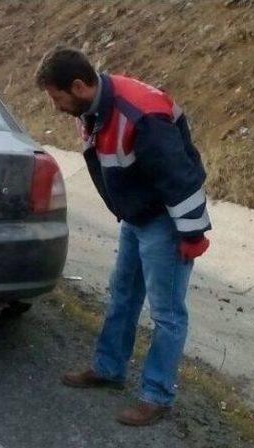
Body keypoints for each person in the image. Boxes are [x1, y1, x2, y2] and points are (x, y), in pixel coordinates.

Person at [35, 48, 211, 426]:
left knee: (166, 313)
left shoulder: (140, 114)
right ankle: (109, 368)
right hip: (136, 217)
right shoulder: (94, 108)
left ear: (79, 86)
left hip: (166, 221)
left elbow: (179, 177)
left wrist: (192, 232)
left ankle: (157, 394)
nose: (55, 107)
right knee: (123, 295)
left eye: (56, 97)